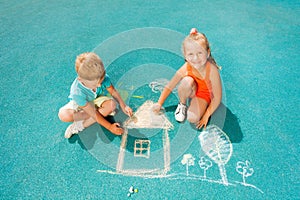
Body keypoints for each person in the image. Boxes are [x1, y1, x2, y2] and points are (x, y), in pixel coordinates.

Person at [153, 28, 222, 129]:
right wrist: (159, 103)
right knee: (186, 81)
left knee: (192, 118)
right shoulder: (187, 66)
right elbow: (171, 85)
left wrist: (206, 115)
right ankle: (182, 104)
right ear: (185, 56)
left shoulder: (212, 70)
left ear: (207, 52)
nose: (195, 58)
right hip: (192, 88)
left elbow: (217, 97)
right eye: (191, 54)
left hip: (205, 94)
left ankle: (201, 104)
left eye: (200, 53)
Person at [58, 52, 133, 138]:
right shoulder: (77, 92)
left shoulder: (102, 77)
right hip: (82, 105)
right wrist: (109, 127)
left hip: (95, 100)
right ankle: (79, 125)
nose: (100, 86)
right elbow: (93, 113)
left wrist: (123, 106)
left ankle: (85, 122)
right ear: (81, 79)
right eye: (95, 84)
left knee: (112, 105)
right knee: (64, 115)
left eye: (101, 81)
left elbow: (113, 91)